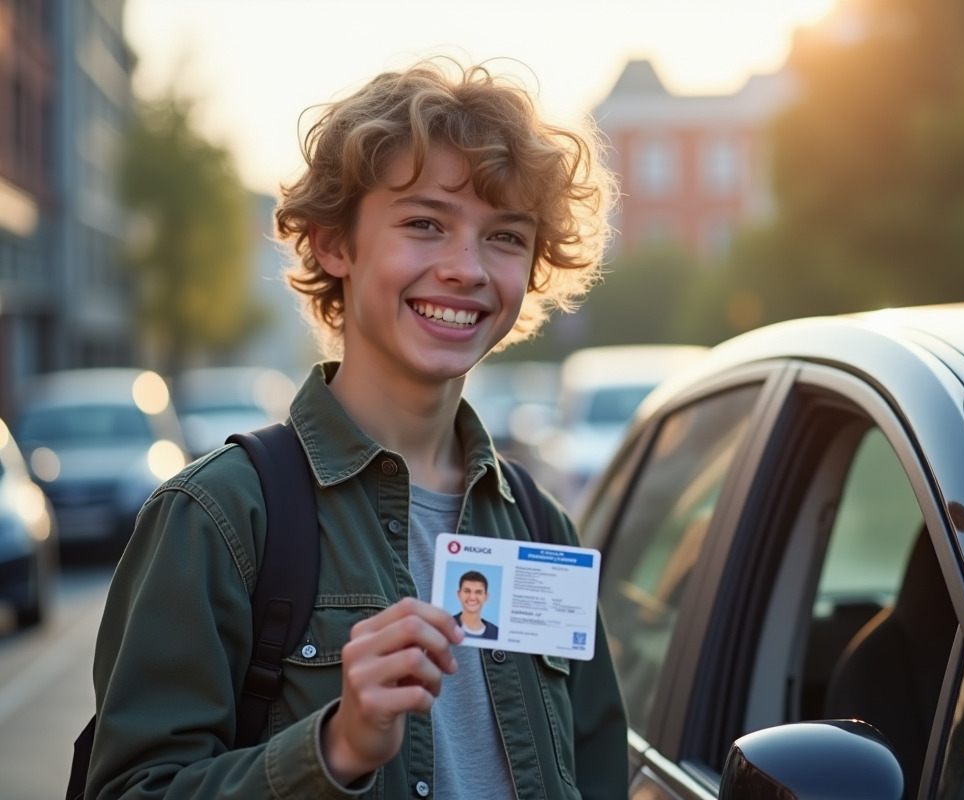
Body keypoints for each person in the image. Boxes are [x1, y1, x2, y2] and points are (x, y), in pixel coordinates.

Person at [85, 57, 627, 799]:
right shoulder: (218, 521)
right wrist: (334, 749)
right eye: (425, 223)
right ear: (333, 246)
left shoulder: (543, 526)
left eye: (505, 236)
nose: (467, 268)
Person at [453, 570, 500, 640]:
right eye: (467, 591)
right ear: (459, 594)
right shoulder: (446, 626)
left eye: (478, 592)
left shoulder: (496, 633)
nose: (472, 597)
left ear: (486, 597)